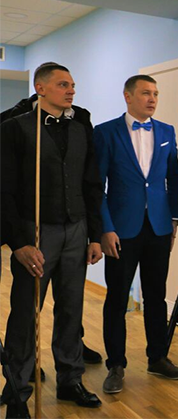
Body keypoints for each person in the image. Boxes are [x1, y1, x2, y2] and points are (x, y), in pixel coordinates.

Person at [0, 63, 103, 417]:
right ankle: (17, 389)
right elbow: (4, 191)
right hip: (35, 232)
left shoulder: (81, 128)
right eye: (62, 84)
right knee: (26, 313)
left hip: (76, 229)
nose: (71, 90)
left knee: (72, 308)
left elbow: (92, 184)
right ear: (40, 88)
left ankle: (71, 379)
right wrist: (18, 242)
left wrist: (95, 235)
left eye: (72, 84)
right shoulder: (15, 128)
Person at [94, 75, 178, 394]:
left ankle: (157, 357)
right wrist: (106, 228)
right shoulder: (106, 132)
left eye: (156, 94)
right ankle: (116, 365)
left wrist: (174, 218)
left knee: (156, 296)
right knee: (117, 298)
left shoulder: (167, 131)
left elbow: (174, 178)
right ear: (128, 96)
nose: (152, 99)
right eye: (146, 93)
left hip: (159, 227)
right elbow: (97, 186)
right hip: (121, 229)